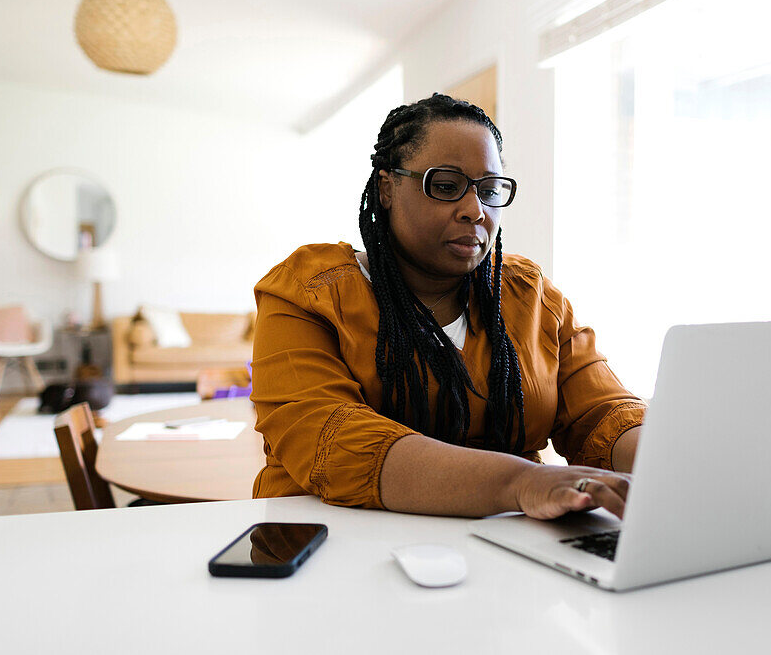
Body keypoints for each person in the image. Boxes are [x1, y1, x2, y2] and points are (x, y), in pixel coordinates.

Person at [250, 93, 644, 520]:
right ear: (386, 188)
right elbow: (332, 439)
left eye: (490, 190)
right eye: (445, 186)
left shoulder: (531, 298)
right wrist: (520, 482)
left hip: (508, 548)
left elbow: (602, 414)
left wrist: (672, 460)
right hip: (332, 547)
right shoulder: (308, 293)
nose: (475, 210)